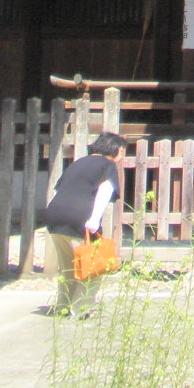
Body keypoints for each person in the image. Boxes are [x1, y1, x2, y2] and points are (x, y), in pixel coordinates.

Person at [43, 132, 127, 316]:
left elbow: (60, 188)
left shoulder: (78, 163)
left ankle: (62, 306)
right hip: (79, 219)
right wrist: (94, 220)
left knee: (68, 267)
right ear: (114, 150)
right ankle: (83, 308)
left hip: (55, 216)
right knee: (92, 266)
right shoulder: (107, 165)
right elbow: (105, 190)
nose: (121, 157)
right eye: (122, 152)